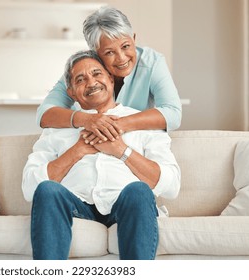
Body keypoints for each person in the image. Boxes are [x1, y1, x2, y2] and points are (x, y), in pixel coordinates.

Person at [22, 50, 181, 260]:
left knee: (139, 191)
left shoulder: (142, 122)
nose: (91, 82)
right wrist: (77, 150)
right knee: (47, 190)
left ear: (111, 79)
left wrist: (121, 151)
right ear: (71, 92)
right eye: (81, 79)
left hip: (124, 203)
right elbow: (30, 188)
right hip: (75, 205)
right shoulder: (56, 128)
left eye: (97, 74)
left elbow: (172, 186)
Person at [36, 6, 182, 145]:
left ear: (134, 39)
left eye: (126, 46)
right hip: (87, 143)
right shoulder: (82, 68)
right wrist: (87, 120)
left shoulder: (152, 62)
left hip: (133, 144)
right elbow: (44, 114)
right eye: (109, 52)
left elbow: (173, 114)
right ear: (95, 53)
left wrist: (115, 125)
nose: (121, 58)